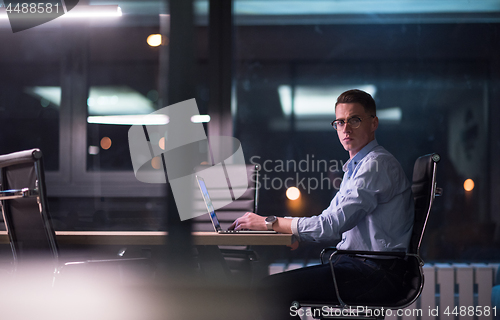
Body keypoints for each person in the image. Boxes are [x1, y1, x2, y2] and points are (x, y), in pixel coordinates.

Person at [229, 89, 414, 320]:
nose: (346, 129)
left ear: (373, 122)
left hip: (374, 273)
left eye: (354, 120)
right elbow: (329, 219)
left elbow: (330, 226)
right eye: (340, 122)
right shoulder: (356, 167)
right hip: (363, 267)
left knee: (267, 291)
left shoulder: (375, 166)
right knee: (269, 290)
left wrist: (270, 223)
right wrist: (293, 232)